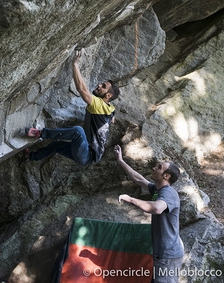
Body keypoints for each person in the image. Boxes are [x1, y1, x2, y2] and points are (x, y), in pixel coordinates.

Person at [24, 49, 120, 165]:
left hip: (87, 154)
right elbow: (113, 116)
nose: (99, 85)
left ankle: (41, 134)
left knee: (78, 131)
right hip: (87, 156)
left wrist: (75, 64)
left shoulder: (100, 105)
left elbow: (81, 89)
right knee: (57, 145)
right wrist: (111, 118)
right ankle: (31, 156)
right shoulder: (110, 108)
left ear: (108, 95)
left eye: (103, 86)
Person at [114, 144, 184, 283]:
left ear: (166, 176)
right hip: (164, 253)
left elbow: (157, 208)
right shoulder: (158, 190)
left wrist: (131, 199)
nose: (154, 168)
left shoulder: (168, 193)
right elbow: (139, 179)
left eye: (159, 167)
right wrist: (121, 160)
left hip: (168, 255)